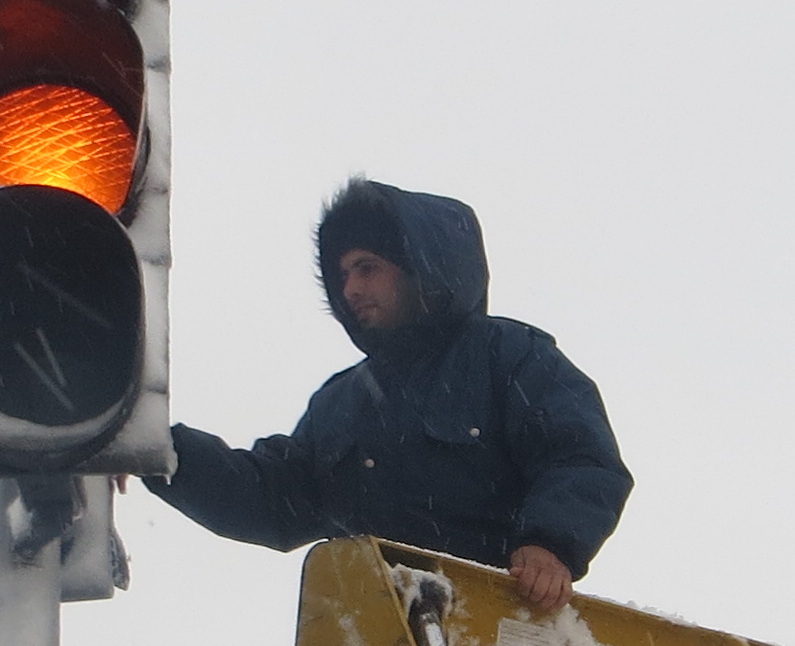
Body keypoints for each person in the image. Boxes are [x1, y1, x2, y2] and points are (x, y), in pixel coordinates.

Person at [146, 179, 630, 612]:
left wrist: (549, 545)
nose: (351, 289)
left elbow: (579, 459)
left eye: (367, 268)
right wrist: (154, 449)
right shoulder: (340, 403)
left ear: (420, 269)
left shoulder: (508, 356)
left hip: (496, 633)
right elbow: (270, 496)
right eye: (342, 277)